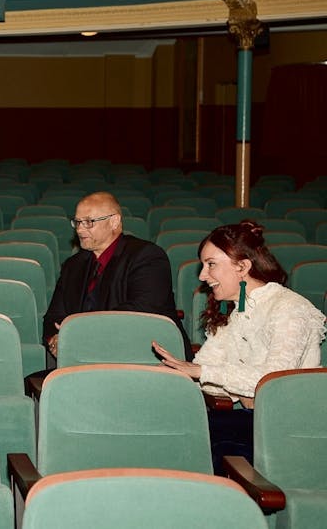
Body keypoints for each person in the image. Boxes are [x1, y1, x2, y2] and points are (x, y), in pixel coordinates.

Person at [153, 220, 325, 472]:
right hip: (255, 422)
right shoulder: (238, 308)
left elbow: (273, 381)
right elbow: (208, 369)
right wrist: (175, 377)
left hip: (288, 430)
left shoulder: (290, 309)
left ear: (242, 266)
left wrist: (200, 372)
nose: (202, 276)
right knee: (167, 425)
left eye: (211, 264)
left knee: (188, 440)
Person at [43, 191, 190, 361]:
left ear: (114, 221)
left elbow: (139, 312)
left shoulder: (147, 256)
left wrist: (77, 333)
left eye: (89, 222)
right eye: (77, 222)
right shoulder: (73, 265)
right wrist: (55, 340)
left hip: (141, 358)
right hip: (84, 359)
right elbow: (53, 317)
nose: (80, 229)